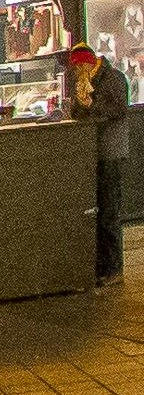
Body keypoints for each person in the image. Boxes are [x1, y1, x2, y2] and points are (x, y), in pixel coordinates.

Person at [70, 44, 131, 285]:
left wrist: (90, 105)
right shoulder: (84, 82)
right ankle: (99, 266)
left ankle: (113, 268)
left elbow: (117, 109)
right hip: (91, 153)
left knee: (109, 211)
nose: (76, 72)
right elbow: (77, 113)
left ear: (87, 63)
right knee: (96, 212)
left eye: (78, 67)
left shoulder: (113, 78)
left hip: (110, 152)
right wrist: (79, 105)